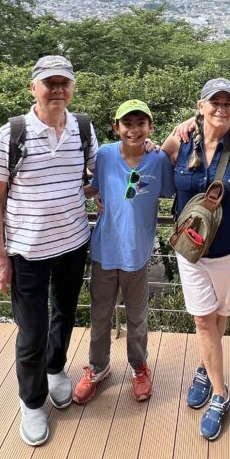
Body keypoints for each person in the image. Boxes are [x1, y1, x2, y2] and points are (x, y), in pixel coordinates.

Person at [0, 55, 99, 447]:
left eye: (64, 83)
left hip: (72, 243)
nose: (57, 90)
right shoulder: (11, 134)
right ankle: (31, 401)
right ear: (33, 88)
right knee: (30, 330)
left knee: (64, 314)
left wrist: (147, 149)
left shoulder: (84, 129)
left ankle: (55, 370)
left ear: (72, 88)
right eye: (49, 84)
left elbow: (96, 178)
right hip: (25, 249)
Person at [161, 77, 230, 442]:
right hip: (192, 251)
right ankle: (221, 393)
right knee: (204, 321)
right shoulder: (181, 142)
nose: (220, 108)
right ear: (200, 106)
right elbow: (147, 160)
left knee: (219, 318)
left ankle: (205, 368)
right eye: (213, 102)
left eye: (227, 103)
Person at [72, 99, 175, 405]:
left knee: (137, 317)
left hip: (137, 253)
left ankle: (139, 366)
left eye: (140, 123)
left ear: (150, 128)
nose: (133, 130)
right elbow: (95, 187)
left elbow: (171, 187)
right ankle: (98, 367)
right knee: (100, 315)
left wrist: (166, 145)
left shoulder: (157, 160)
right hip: (105, 249)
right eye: (127, 124)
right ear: (116, 127)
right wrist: (83, 196)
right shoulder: (104, 155)